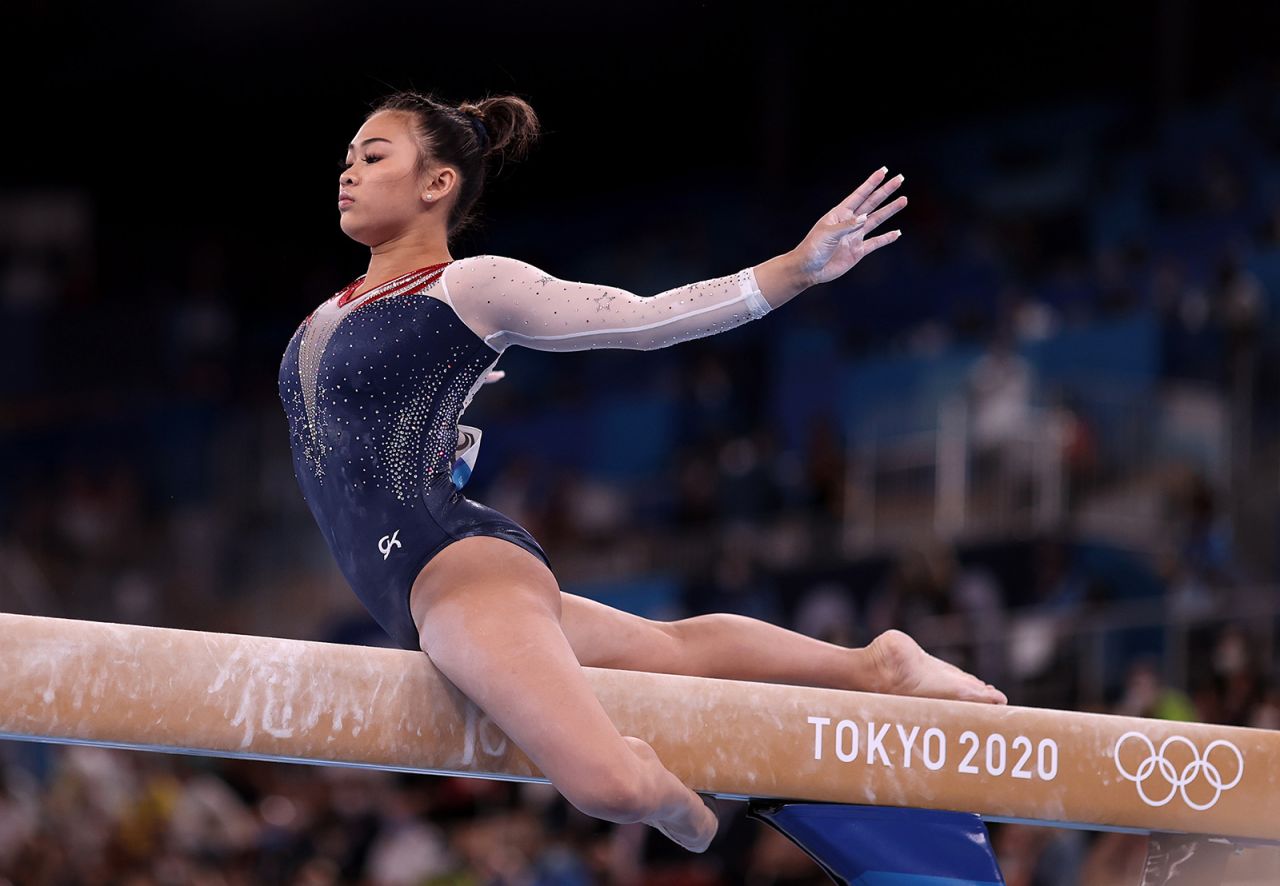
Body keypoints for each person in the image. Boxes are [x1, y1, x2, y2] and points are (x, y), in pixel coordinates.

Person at [278, 90, 1007, 854]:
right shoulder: (326, 314)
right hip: (418, 584)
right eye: (347, 158)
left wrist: (793, 270)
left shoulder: (469, 287)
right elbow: (369, 448)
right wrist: (447, 434)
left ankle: (694, 821)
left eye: (373, 155)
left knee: (612, 786)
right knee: (672, 651)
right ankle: (875, 665)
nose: (348, 172)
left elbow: (643, 318)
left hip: (453, 574)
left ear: (438, 184)